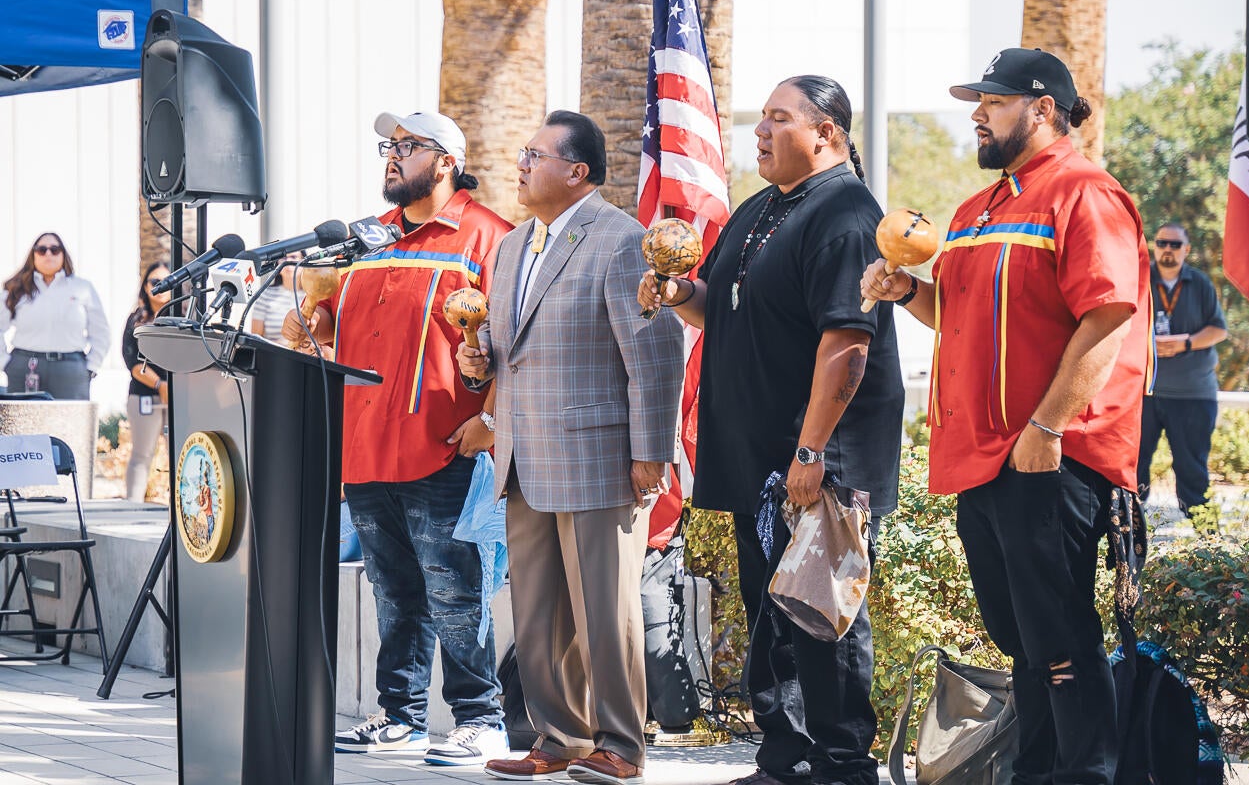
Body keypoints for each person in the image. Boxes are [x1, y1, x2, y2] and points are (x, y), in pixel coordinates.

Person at [861, 48, 1151, 784]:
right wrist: (906, 292)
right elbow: (956, 315)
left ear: (1043, 107)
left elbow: (1110, 317)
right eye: (977, 101)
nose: (976, 113)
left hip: (1048, 455)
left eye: (992, 100)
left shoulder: (1085, 192)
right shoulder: (977, 209)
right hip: (983, 458)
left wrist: (1047, 428)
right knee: (1022, 637)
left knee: (1059, 636)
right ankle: (1036, 772)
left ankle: (1085, 775)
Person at [639, 76, 903, 785]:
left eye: (779, 118)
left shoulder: (845, 213)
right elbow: (721, 307)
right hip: (757, 461)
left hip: (819, 460)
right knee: (772, 618)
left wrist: (812, 450)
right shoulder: (761, 208)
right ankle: (783, 761)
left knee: (823, 617)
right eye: (761, 117)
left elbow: (848, 341)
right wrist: (675, 294)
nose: (760, 129)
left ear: (827, 132)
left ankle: (843, 766)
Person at [281, 110, 512, 766]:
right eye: (389, 145)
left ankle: (479, 716)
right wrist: (309, 311)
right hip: (364, 446)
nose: (392, 155)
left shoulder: (486, 236)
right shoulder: (367, 240)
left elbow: (516, 343)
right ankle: (401, 714)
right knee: (394, 592)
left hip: (444, 444)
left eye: (408, 146)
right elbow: (326, 328)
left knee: (455, 591)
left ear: (446, 162)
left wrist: (489, 419)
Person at [459, 110, 683, 785]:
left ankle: (621, 744)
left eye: (535, 154)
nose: (520, 165)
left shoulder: (620, 240)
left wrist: (652, 451)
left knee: (604, 612)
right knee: (536, 611)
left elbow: (655, 353)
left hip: (598, 457)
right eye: (523, 154)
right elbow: (507, 351)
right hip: (523, 455)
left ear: (576, 171)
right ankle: (558, 739)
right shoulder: (511, 245)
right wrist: (477, 361)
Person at [1138, 223, 1227, 515]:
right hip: (1144, 392)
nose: (1168, 249)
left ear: (1186, 250)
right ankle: (1126, 537)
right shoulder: (1139, 279)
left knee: (1193, 473)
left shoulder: (1200, 283)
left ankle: (1208, 547)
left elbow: (1218, 330)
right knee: (1132, 468)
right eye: (1163, 243)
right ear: (1154, 246)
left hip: (1193, 394)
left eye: (1175, 245)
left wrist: (1184, 343)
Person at [0, 233, 109, 400]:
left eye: (54, 249)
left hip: (71, 370)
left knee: (70, 425)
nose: (48, 254)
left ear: (63, 254)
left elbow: (101, 331)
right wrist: (5, 363)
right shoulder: (16, 289)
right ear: (33, 255)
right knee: (26, 425)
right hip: (25, 367)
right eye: (42, 250)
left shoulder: (82, 288)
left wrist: (91, 367)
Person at [122, 260, 173, 501]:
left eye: (165, 281)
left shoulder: (183, 317)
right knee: (142, 455)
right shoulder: (135, 320)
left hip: (178, 395)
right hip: (144, 395)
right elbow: (131, 361)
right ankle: (131, 508)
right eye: (155, 281)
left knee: (179, 454)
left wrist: (171, 387)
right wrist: (159, 385)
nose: (160, 287)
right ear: (145, 286)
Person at [249, 256, 301, 338]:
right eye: (284, 258)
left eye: (293, 257)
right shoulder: (265, 294)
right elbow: (255, 337)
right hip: (271, 350)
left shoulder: (313, 295)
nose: (288, 261)